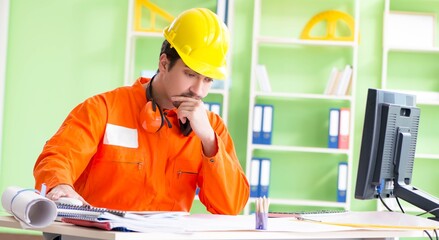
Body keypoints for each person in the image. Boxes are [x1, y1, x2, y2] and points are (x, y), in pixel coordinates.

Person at [33, 7, 249, 215]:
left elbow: (230, 206)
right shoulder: (103, 109)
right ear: (164, 63)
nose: (199, 90)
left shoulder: (210, 129)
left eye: (208, 79)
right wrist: (60, 186)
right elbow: (57, 157)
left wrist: (209, 141)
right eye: (190, 74)